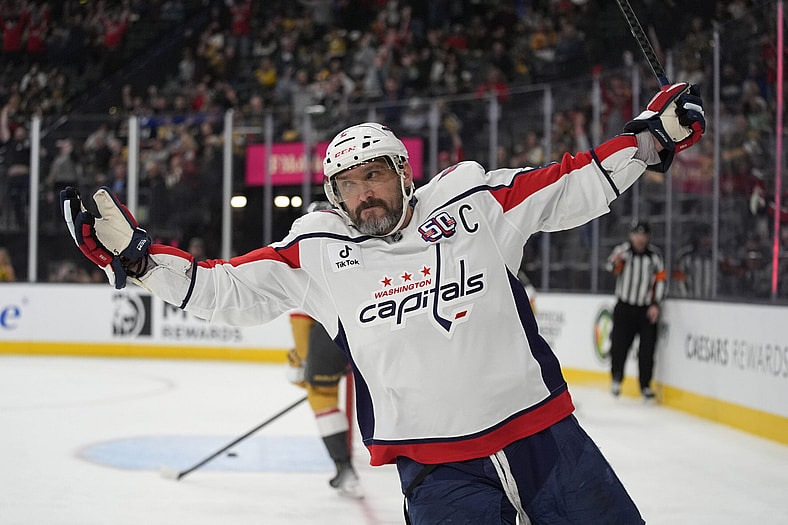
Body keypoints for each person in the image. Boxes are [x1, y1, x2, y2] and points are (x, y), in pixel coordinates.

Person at [60, 82, 704, 524]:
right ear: (333, 194)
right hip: (437, 472)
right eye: (349, 184)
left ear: (404, 174)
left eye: (376, 176)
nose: (365, 194)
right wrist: (141, 263)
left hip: (546, 437)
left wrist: (648, 142)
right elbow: (223, 287)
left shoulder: (471, 202)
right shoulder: (316, 249)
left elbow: (568, 184)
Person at [285, 201, 362, 499]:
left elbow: (301, 315)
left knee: (321, 394)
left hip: (332, 330)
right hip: (382, 322)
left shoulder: (307, 251)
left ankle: (344, 469)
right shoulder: (361, 237)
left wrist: (303, 365)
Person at [606, 220, 667, 400]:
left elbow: (661, 281)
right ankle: (617, 378)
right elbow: (610, 268)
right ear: (631, 236)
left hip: (646, 310)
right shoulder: (623, 252)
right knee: (619, 345)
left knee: (647, 349)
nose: (639, 239)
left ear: (647, 237)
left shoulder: (655, 256)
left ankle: (645, 385)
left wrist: (656, 304)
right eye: (636, 235)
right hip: (624, 307)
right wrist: (616, 262)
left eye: (643, 235)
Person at [673, 223, 714, 299]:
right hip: (690, 303)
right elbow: (678, 281)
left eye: (709, 236)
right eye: (704, 237)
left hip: (712, 305)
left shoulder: (715, 258)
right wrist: (685, 299)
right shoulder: (684, 257)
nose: (707, 240)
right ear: (697, 237)